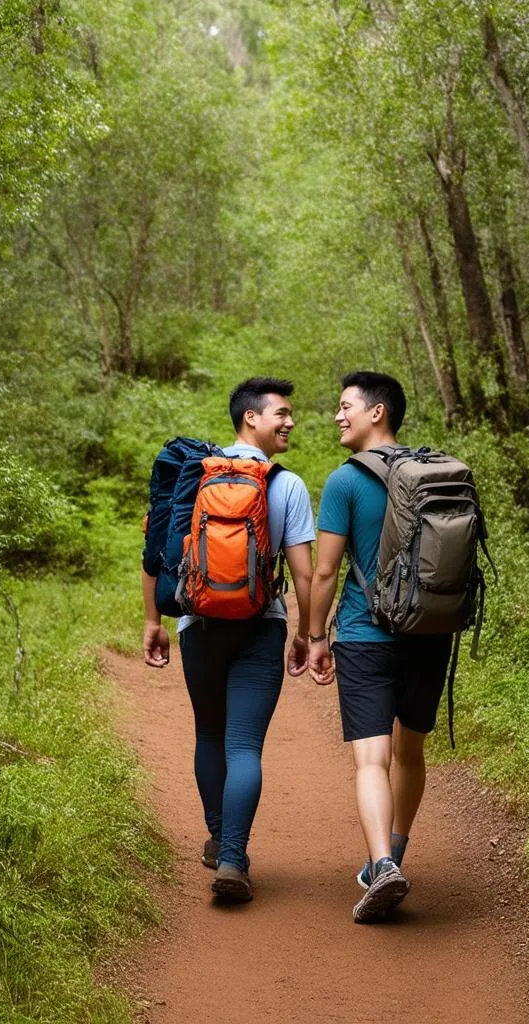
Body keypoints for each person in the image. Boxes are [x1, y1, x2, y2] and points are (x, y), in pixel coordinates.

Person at [142, 378, 315, 902]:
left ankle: (219, 838)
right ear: (250, 418)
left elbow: (156, 552)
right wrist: (310, 632)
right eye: (281, 413)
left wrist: (153, 621)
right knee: (245, 744)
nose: (289, 422)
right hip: (262, 625)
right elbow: (305, 573)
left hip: (199, 625)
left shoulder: (194, 475)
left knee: (209, 734)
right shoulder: (286, 483)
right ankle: (234, 860)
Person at [308, 371, 454, 923]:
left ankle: (383, 863)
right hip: (430, 634)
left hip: (366, 635)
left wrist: (316, 637)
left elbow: (325, 573)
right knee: (410, 752)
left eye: (346, 406)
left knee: (372, 757)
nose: (337, 416)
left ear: (378, 412)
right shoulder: (436, 472)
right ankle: (392, 852)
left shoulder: (345, 482)